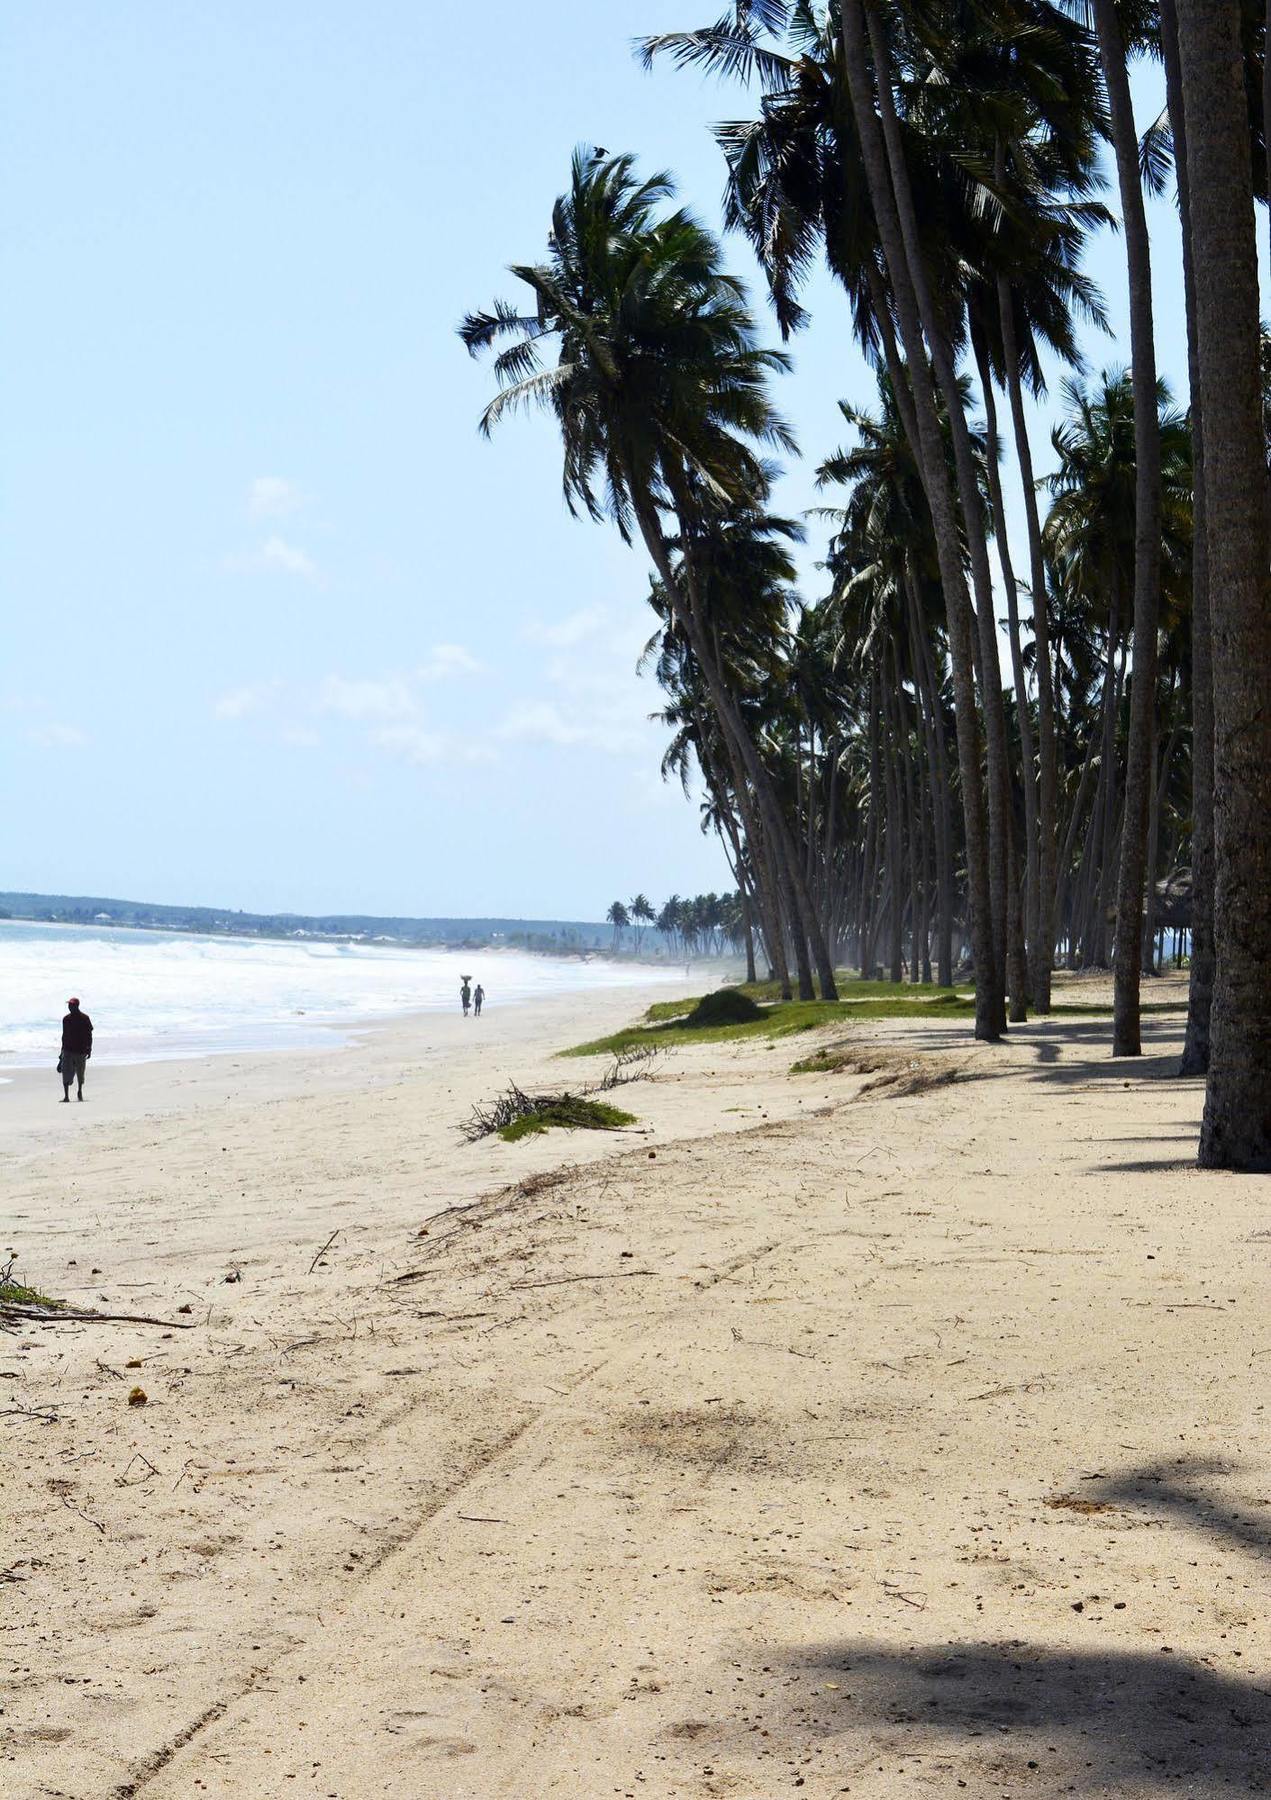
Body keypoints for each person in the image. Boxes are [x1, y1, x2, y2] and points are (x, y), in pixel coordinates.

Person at [60, 997, 93, 1103]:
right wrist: (61, 1053)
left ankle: (79, 1090)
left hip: (81, 1050)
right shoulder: (66, 1019)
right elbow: (64, 1035)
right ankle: (66, 1096)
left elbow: (89, 1035)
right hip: (68, 1050)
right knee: (65, 1072)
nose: (70, 1007)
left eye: (72, 1005)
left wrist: (89, 1049)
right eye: (69, 1005)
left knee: (80, 1073)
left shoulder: (85, 1018)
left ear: (77, 1006)